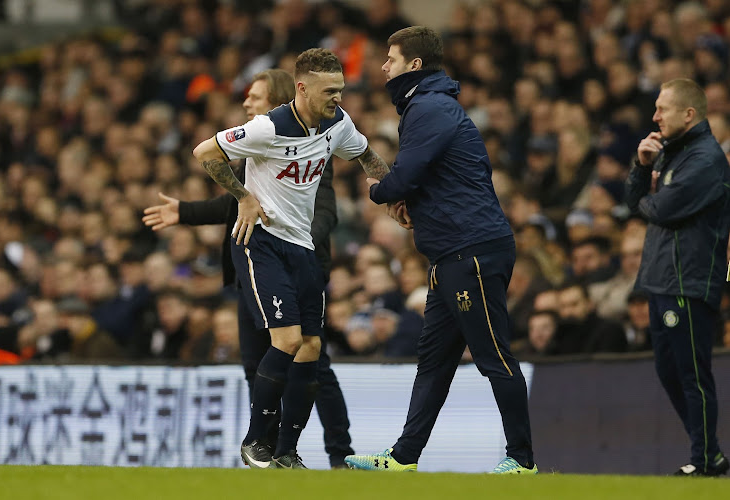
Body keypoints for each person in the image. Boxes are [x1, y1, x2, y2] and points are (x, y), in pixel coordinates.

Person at [344, 26, 536, 474]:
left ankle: (523, 461)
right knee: (433, 362)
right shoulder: (427, 105)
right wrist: (412, 202)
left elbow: (406, 174)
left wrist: (382, 191)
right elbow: (434, 177)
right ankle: (403, 457)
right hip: (451, 252)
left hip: (471, 250)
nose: (383, 67)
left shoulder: (428, 107)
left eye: (390, 59)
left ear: (413, 65)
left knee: (493, 355)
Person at [142, 68, 356, 467]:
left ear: (276, 100)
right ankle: (270, 451)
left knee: (312, 363)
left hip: (296, 269)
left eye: (254, 98)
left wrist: (287, 231)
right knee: (256, 364)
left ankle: (338, 455)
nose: (246, 104)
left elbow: (323, 210)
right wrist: (185, 212)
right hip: (254, 272)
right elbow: (237, 203)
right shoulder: (258, 151)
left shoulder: (306, 144)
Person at [191, 49, 391, 469]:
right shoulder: (268, 127)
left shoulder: (338, 123)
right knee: (287, 339)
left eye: (340, 89)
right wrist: (243, 196)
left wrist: (396, 194)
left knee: (312, 347)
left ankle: (286, 452)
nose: (337, 97)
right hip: (261, 240)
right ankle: (254, 441)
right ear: (302, 88)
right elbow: (205, 152)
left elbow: (367, 157)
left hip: (303, 246)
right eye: (328, 90)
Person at [625, 78, 730, 476]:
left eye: (662, 109)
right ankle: (711, 452)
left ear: (689, 114)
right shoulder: (671, 153)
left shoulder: (705, 160)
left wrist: (649, 196)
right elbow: (637, 203)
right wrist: (642, 167)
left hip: (688, 281)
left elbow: (661, 209)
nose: (654, 117)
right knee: (669, 371)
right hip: (661, 279)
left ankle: (705, 461)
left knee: (692, 374)